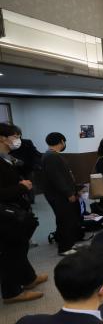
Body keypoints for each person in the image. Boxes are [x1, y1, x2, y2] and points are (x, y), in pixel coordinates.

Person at [0, 123, 46, 304]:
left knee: (20, 247)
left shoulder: (7, 158)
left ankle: (28, 279)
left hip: (16, 210)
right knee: (10, 253)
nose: (17, 139)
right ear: (3, 138)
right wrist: (21, 187)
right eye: (14, 136)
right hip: (6, 214)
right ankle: (11, 293)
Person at [40, 132, 81, 255]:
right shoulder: (52, 156)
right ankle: (64, 248)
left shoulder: (51, 155)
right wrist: (69, 193)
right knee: (65, 220)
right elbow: (57, 178)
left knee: (66, 218)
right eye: (64, 142)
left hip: (59, 193)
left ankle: (69, 243)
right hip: (59, 195)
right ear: (62, 141)